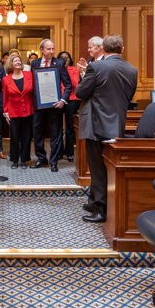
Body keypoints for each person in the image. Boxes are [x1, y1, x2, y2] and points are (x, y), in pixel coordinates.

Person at [75, 34, 138, 222]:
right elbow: (128, 97)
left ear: (103, 49)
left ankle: (100, 210)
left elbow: (80, 92)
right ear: (122, 49)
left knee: (96, 168)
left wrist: (84, 75)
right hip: (116, 123)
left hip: (95, 122)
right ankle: (94, 202)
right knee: (108, 166)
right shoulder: (132, 69)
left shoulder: (96, 66)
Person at [31, 39, 73, 171]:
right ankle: (41, 159)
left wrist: (63, 100)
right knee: (37, 133)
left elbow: (68, 84)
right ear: (42, 50)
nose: (51, 51)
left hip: (55, 105)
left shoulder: (59, 63)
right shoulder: (34, 63)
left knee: (56, 133)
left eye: (53, 49)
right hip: (39, 104)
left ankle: (54, 161)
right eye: (48, 49)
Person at [2, 54, 34, 169]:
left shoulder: (29, 75)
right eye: (15, 61)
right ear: (11, 63)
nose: (18, 62)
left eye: (19, 61)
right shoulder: (6, 79)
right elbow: (5, 98)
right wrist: (6, 113)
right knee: (14, 137)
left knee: (26, 136)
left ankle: (24, 160)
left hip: (28, 111)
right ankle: (15, 160)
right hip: (13, 112)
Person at [57, 51, 80, 162]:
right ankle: (59, 152)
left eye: (66, 58)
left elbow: (74, 84)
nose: (64, 60)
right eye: (62, 58)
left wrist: (65, 70)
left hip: (71, 100)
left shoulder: (74, 70)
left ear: (70, 60)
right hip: (58, 100)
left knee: (70, 127)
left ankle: (69, 153)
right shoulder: (55, 69)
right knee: (58, 128)